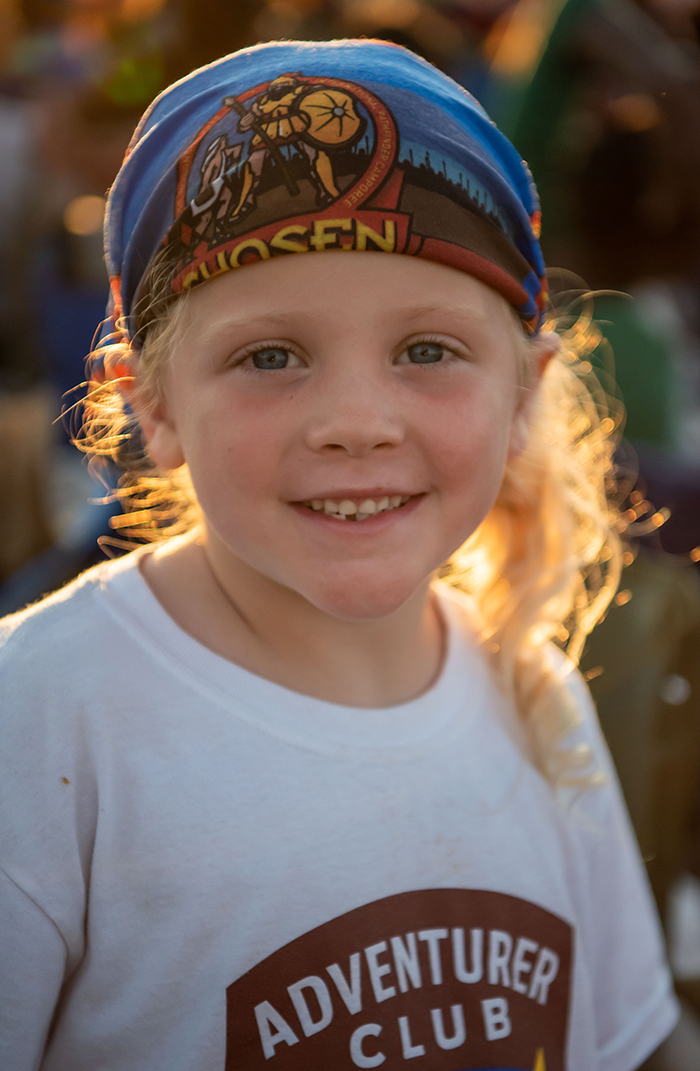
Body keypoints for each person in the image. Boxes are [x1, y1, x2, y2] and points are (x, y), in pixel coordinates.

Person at [0, 38, 679, 1071]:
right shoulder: (42, 721)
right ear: (155, 406)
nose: (355, 422)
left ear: (523, 398)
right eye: (269, 356)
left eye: (427, 351)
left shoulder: (535, 698)